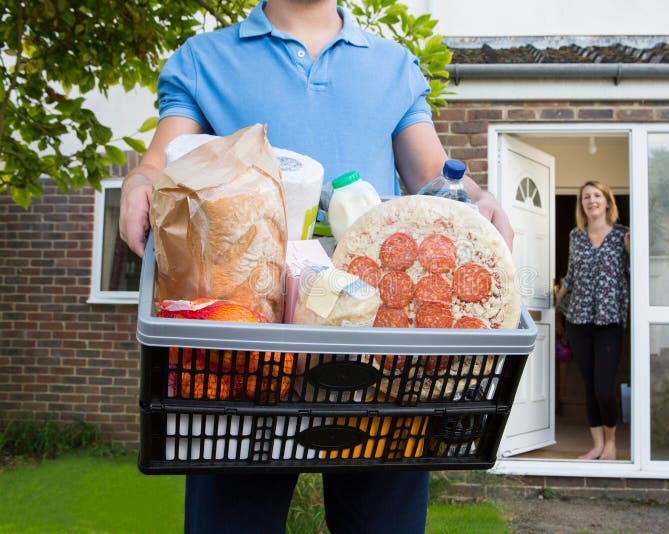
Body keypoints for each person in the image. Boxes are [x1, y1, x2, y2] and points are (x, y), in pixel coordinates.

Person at [118, 1, 513, 532]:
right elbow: (163, 161)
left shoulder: (393, 65)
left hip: (378, 357)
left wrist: (477, 199)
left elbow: (435, 179)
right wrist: (142, 180)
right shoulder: (204, 60)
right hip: (245, 349)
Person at [555, 180, 629, 461]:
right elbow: (571, 276)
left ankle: (611, 442)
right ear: (582, 204)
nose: (591, 200)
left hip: (610, 320)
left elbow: (633, 272)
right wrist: (556, 303)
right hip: (579, 319)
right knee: (588, 385)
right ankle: (596, 445)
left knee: (603, 386)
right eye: (586, 197)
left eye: (597, 195)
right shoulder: (576, 236)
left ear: (608, 202)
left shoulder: (623, 235)